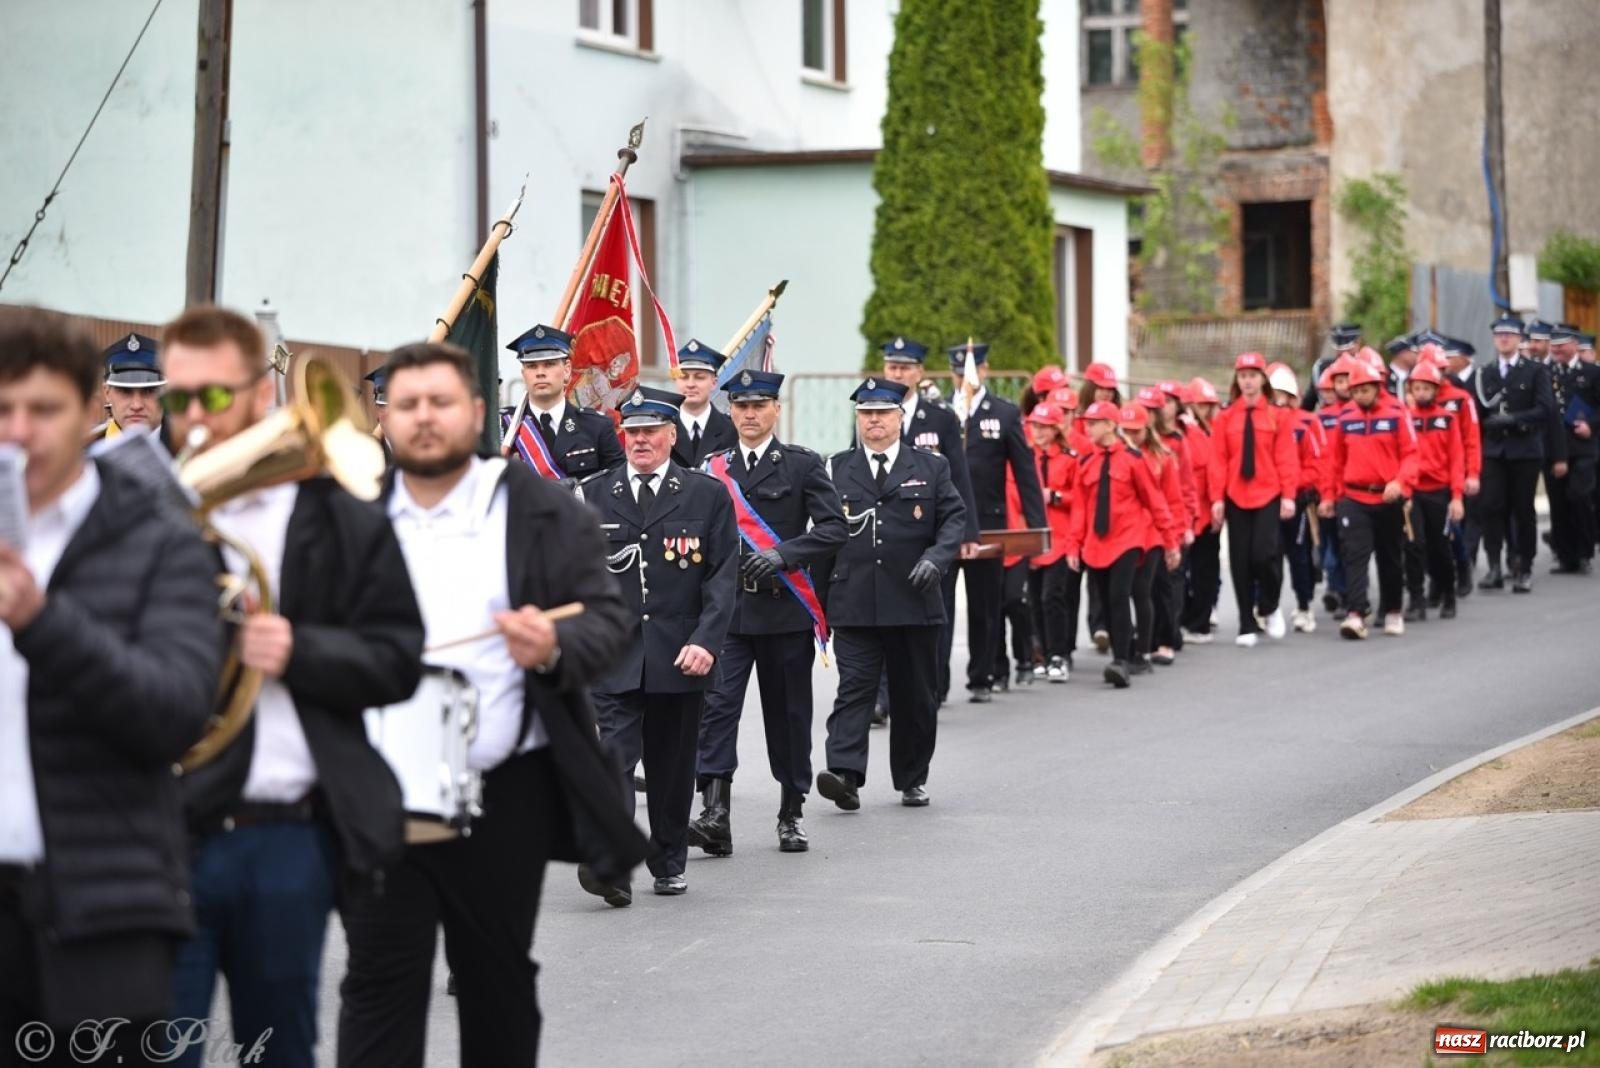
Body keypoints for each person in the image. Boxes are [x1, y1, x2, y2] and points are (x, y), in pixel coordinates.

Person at [337, 343, 646, 1066]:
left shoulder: (538, 510)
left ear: (477, 413)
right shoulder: (351, 515)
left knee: (494, 975)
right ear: (384, 419)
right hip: (381, 789)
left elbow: (607, 618)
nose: (422, 419)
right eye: (405, 405)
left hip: (502, 789)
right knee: (380, 977)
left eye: (439, 403)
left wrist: (552, 643)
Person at [163, 306, 425, 1068]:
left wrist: (298, 649)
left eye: (213, 397)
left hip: (289, 835)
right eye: (179, 400)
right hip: (169, 828)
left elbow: (397, 656)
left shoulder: (344, 516)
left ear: (260, 392)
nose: (193, 418)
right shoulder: (150, 511)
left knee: (280, 1049)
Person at [0, 309, 220, 1064]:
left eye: (42, 409)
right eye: (3, 410)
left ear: (79, 405)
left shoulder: (161, 538)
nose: (20, 431)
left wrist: (40, 620)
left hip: (105, 904)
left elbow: (174, 711)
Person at [580, 387, 736, 896]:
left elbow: (720, 577)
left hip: (679, 653)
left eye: (650, 431)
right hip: (614, 653)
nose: (640, 440)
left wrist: (706, 641)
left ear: (672, 435)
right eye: (632, 431)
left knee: (671, 768)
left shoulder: (705, 494)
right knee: (615, 761)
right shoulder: (595, 493)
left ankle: (668, 859)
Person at [688, 370, 846, 856]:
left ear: (776, 409)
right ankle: (715, 814)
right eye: (740, 406)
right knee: (715, 711)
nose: (749, 415)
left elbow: (835, 528)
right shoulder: (713, 466)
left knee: (789, 715)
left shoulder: (801, 465)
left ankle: (791, 812)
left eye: (759, 406)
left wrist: (784, 556)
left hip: (784, 612)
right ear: (730, 411)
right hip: (729, 616)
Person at [815, 378, 966, 809]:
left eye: (882, 413)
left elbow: (953, 521)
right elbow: (825, 539)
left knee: (914, 696)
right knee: (855, 689)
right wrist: (820, 605)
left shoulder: (930, 467)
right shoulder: (836, 468)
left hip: (914, 601)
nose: (873, 421)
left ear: (900, 418)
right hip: (854, 601)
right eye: (866, 413)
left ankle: (912, 777)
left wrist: (937, 561)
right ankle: (844, 773)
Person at [878, 336, 979, 708]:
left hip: (932, 536)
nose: (898, 373)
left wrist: (968, 532)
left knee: (938, 612)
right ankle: (884, 693)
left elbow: (959, 477)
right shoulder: (873, 414)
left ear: (919, 373)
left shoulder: (940, 418)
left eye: (904, 367)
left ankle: (932, 684)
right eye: (892, 367)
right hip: (885, 534)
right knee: (883, 611)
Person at [950, 342, 1043, 701]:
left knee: (985, 606)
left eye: (969, 373)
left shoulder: (1003, 414)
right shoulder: (944, 412)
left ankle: (982, 676)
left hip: (989, 522)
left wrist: (1036, 525)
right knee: (941, 610)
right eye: (958, 374)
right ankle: (938, 686)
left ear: (984, 370)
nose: (964, 380)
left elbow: (1025, 473)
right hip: (947, 524)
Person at [1064, 402, 1177, 688]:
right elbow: (1080, 509)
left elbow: (1155, 500)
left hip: (1127, 540)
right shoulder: (1086, 462)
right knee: (1104, 598)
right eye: (1086, 422)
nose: (1087, 427)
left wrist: (1170, 541)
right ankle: (1120, 654)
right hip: (1096, 544)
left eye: (1093, 422)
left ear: (1111, 425)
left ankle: (1123, 660)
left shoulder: (1133, 459)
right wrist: (1073, 545)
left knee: (1119, 595)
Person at [1319, 360, 1418, 639]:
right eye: (1356, 390)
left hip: (1387, 499)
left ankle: (1393, 610)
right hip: (1353, 497)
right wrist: (1328, 496)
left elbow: (1411, 455)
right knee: (1354, 555)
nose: (1361, 394)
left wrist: (1400, 483)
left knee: (1390, 558)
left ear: (1377, 388)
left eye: (1366, 389)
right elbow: (1334, 462)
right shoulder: (1345, 419)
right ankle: (1356, 612)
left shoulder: (1397, 414)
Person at [1208, 352, 1299, 647]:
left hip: (1268, 493)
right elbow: (1218, 460)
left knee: (1264, 553)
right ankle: (1246, 622)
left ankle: (1269, 605)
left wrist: (1288, 495)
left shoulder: (1277, 416)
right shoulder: (1225, 418)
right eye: (1243, 376)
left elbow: (1285, 457)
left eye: (1253, 375)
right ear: (1237, 380)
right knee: (1239, 560)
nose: (1247, 381)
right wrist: (1217, 498)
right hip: (1236, 494)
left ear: (1262, 379)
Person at [1475, 314, 1563, 593]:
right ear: (1494, 339)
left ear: (1519, 339)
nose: (1504, 339)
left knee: (1523, 510)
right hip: (1494, 451)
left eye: (1510, 335)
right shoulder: (1485, 372)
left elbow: (1545, 410)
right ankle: (1494, 566)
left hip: (1524, 449)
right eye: (1500, 334)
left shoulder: (1535, 371)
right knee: (1491, 507)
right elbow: (1477, 412)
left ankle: (1524, 566)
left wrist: (1513, 420)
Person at [501, 324, 623, 480]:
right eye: (531, 366)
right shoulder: (503, 427)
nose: (540, 373)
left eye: (549, 364)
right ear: (524, 373)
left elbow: (617, 488)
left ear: (566, 370)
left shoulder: (597, 426)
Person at [1120, 403, 1184, 671]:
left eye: (1137, 431)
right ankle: (1128, 643)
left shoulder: (1162, 458)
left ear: (1147, 430)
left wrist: (1175, 538)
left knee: (1150, 590)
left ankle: (1157, 644)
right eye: (1127, 431)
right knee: (1123, 592)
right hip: (1125, 534)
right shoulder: (1117, 456)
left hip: (1153, 533)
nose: (1132, 437)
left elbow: (1173, 499)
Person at [1402, 361, 1466, 621]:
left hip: (1439, 491)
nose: (1421, 393)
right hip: (1413, 491)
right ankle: (1416, 599)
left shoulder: (1447, 419)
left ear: (1435, 389)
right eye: (1416, 388)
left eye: (1426, 388)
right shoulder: (1405, 419)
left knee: (1440, 547)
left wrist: (1457, 497)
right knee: (1413, 545)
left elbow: (1456, 458)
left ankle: (1448, 594)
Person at [1267, 364, 1325, 633]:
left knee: (1298, 555)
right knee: (1268, 556)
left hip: (1297, 500)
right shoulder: (1261, 422)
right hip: (1265, 499)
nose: (1277, 398)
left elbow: (1315, 463)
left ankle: (1304, 605)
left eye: (1281, 393)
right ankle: (1266, 606)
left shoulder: (1306, 422)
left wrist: (1294, 488)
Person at [1025, 401, 1079, 681]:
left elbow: (1080, 499)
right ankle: (1041, 653)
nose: (1039, 431)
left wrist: (1056, 496)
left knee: (1052, 597)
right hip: (1033, 538)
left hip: (1060, 537)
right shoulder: (1026, 458)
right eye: (1035, 425)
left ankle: (1059, 653)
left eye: (1045, 427)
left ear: (1056, 429)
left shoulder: (1070, 458)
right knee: (1033, 599)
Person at [1545, 324, 1600, 575]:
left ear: (1575, 345)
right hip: (1553, 447)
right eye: (1553, 344)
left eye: (1562, 343)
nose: (1556, 348)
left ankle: (1584, 551)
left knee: (1579, 496)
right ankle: (1566, 555)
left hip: (1583, 446)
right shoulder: (1545, 373)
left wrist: (1591, 424)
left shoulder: (1591, 373)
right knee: (1558, 502)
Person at [1436, 341, 1483, 598]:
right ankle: (1435, 582)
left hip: (1453, 474)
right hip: (1423, 478)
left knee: (1452, 529)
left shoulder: (1461, 399)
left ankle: (1462, 565)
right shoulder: (1414, 400)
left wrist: (1472, 473)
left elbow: (1471, 440)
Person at [1179, 378, 1221, 643]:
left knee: (1205, 569)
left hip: (1205, 512)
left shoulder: (1211, 431)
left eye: (1208, 406)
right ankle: (1184, 615)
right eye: (1200, 406)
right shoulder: (1178, 433)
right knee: (1179, 571)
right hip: (1184, 512)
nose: (1204, 411)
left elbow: (1211, 464)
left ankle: (1201, 620)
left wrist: (1217, 502)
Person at [91, 331, 169, 447]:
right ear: (107, 393)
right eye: (125, 391)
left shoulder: (191, 449)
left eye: (148, 391)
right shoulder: (83, 455)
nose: (136, 405)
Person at [670, 339, 737, 468]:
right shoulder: (661, 429)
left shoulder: (733, 430)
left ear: (714, 382)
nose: (690, 384)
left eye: (699, 377)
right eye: (683, 377)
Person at [1302, 322, 1361, 412]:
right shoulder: (1322, 367)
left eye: (1347, 347)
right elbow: (1309, 402)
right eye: (1339, 347)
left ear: (1357, 343)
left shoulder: (1365, 366)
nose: (1342, 351)